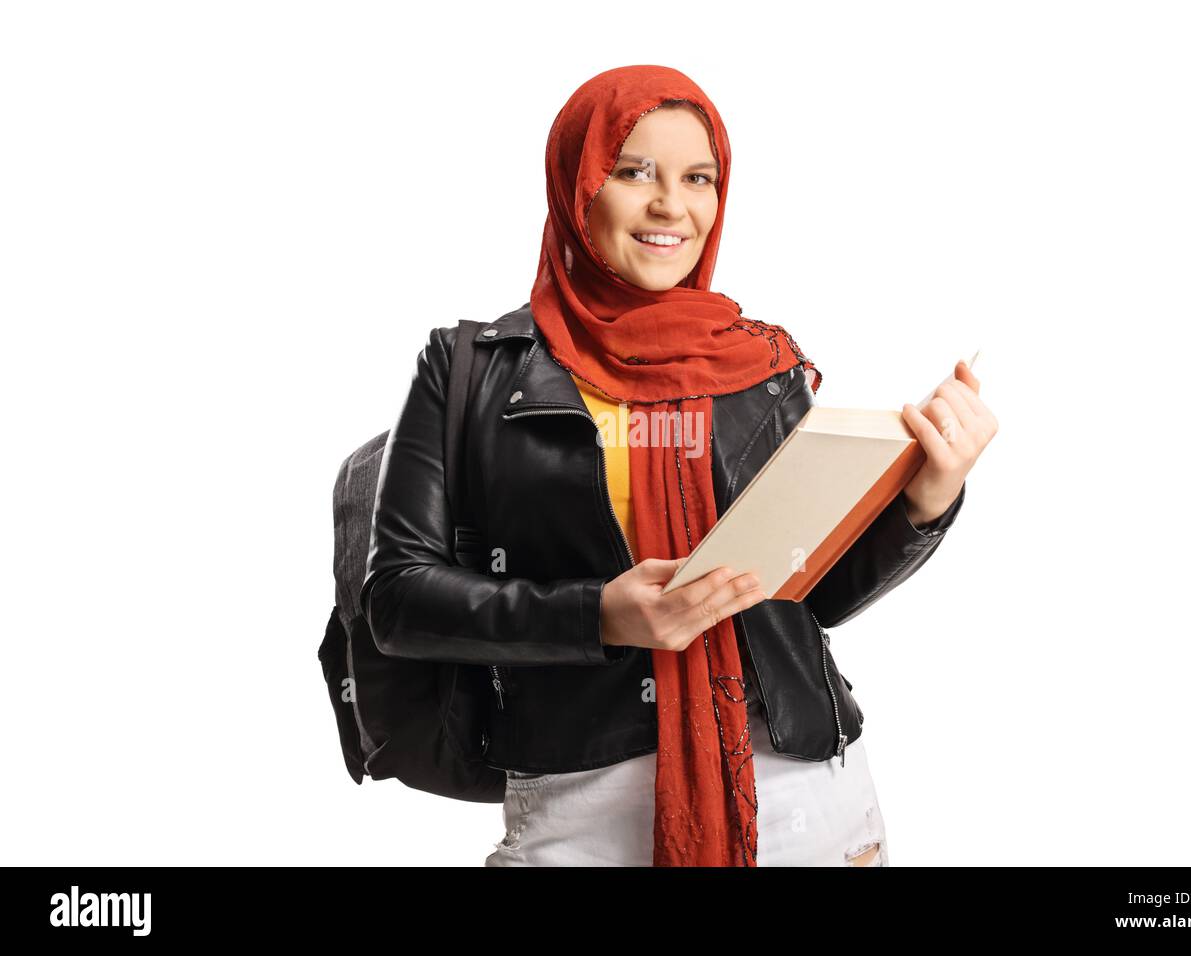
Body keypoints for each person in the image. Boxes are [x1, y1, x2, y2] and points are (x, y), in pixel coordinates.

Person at [361, 65, 997, 867]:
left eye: (699, 178)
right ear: (577, 183)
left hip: (801, 796)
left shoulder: (761, 363)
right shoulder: (473, 370)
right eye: (634, 173)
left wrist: (927, 499)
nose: (673, 206)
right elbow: (398, 599)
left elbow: (814, 594)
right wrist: (599, 615)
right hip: (579, 808)